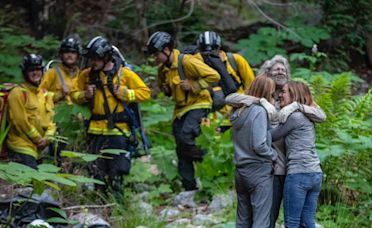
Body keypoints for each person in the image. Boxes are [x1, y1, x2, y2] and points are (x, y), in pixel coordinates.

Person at [226, 54, 326, 227]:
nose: (280, 71)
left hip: (294, 169)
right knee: (267, 217)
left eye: (283, 69)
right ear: (268, 73)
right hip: (273, 168)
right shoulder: (265, 100)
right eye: (276, 69)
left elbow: (321, 115)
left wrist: (297, 106)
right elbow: (230, 98)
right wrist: (262, 101)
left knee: (292, 218)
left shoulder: (291, 96)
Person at [70, 36, 151, 195]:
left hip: (118, 131)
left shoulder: (124, 74)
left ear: (106, 57)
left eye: (96, 58)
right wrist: (84, 95)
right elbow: (73, 94)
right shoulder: (87, 75)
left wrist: (126, 93)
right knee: (96, 170)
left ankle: (117, 204)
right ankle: (100, 201)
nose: (93, 62)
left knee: (116, 170)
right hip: (94, 131)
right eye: (91, 59)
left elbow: (146, 93)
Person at [146, 31, 220, 191]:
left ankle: (209, 159)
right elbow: (161, 90)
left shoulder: (186, 61)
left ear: (166, 50)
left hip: (199, 104)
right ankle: (189, 187)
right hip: (180, 109)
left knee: (186, 135)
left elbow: (214, 76)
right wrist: (165, 90)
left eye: (156, 54)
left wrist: (194, 85)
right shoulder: (162, 70)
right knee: (180, 146)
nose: (155, 58)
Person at [271, 81, 323, 228]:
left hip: (298, 174)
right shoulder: (308, 115)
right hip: (315, 173)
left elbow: (272, 136)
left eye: (284, 92)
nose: (280, 94)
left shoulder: (294, 117)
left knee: (292, 223)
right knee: (308, 223)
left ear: (294, 95)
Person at [231, 76, 277, 227]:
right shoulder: (259, 112)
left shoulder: (238, 112)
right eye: (271, 92)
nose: (273, 96)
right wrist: (273, 155)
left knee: (243, 219)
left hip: (240, 171)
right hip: (259, 171)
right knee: (261, 220)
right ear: (266, 92)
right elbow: (259, 145)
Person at [196, 31, 255, 132]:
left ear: (219, 48)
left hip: (237, 115)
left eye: (214, 49)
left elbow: (253, 88)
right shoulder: (196, 65)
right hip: (210, 120)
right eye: (204, 51)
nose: (209, 54)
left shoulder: (235, 61)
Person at [7, 54, 56, 169]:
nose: (35, 73)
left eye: (38, 69)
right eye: (31, 70)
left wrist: (47, 139)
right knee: (28, 184)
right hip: (21, 146)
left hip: (40, 148)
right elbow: (20, 122)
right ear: (25, 72)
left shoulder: (45, 94)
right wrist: (38, 139)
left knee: (39, 183)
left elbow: (52, 121)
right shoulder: (17, 93)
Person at [40, 36, 81, 104]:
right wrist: (57, 95)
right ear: (61, 54)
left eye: (73, 52)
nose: (69, 55)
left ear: (78, 55)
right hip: (57, 112)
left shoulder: (81, 75)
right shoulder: (52, 72)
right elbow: (39, 92)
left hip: (76, 113)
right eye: (66, 52)